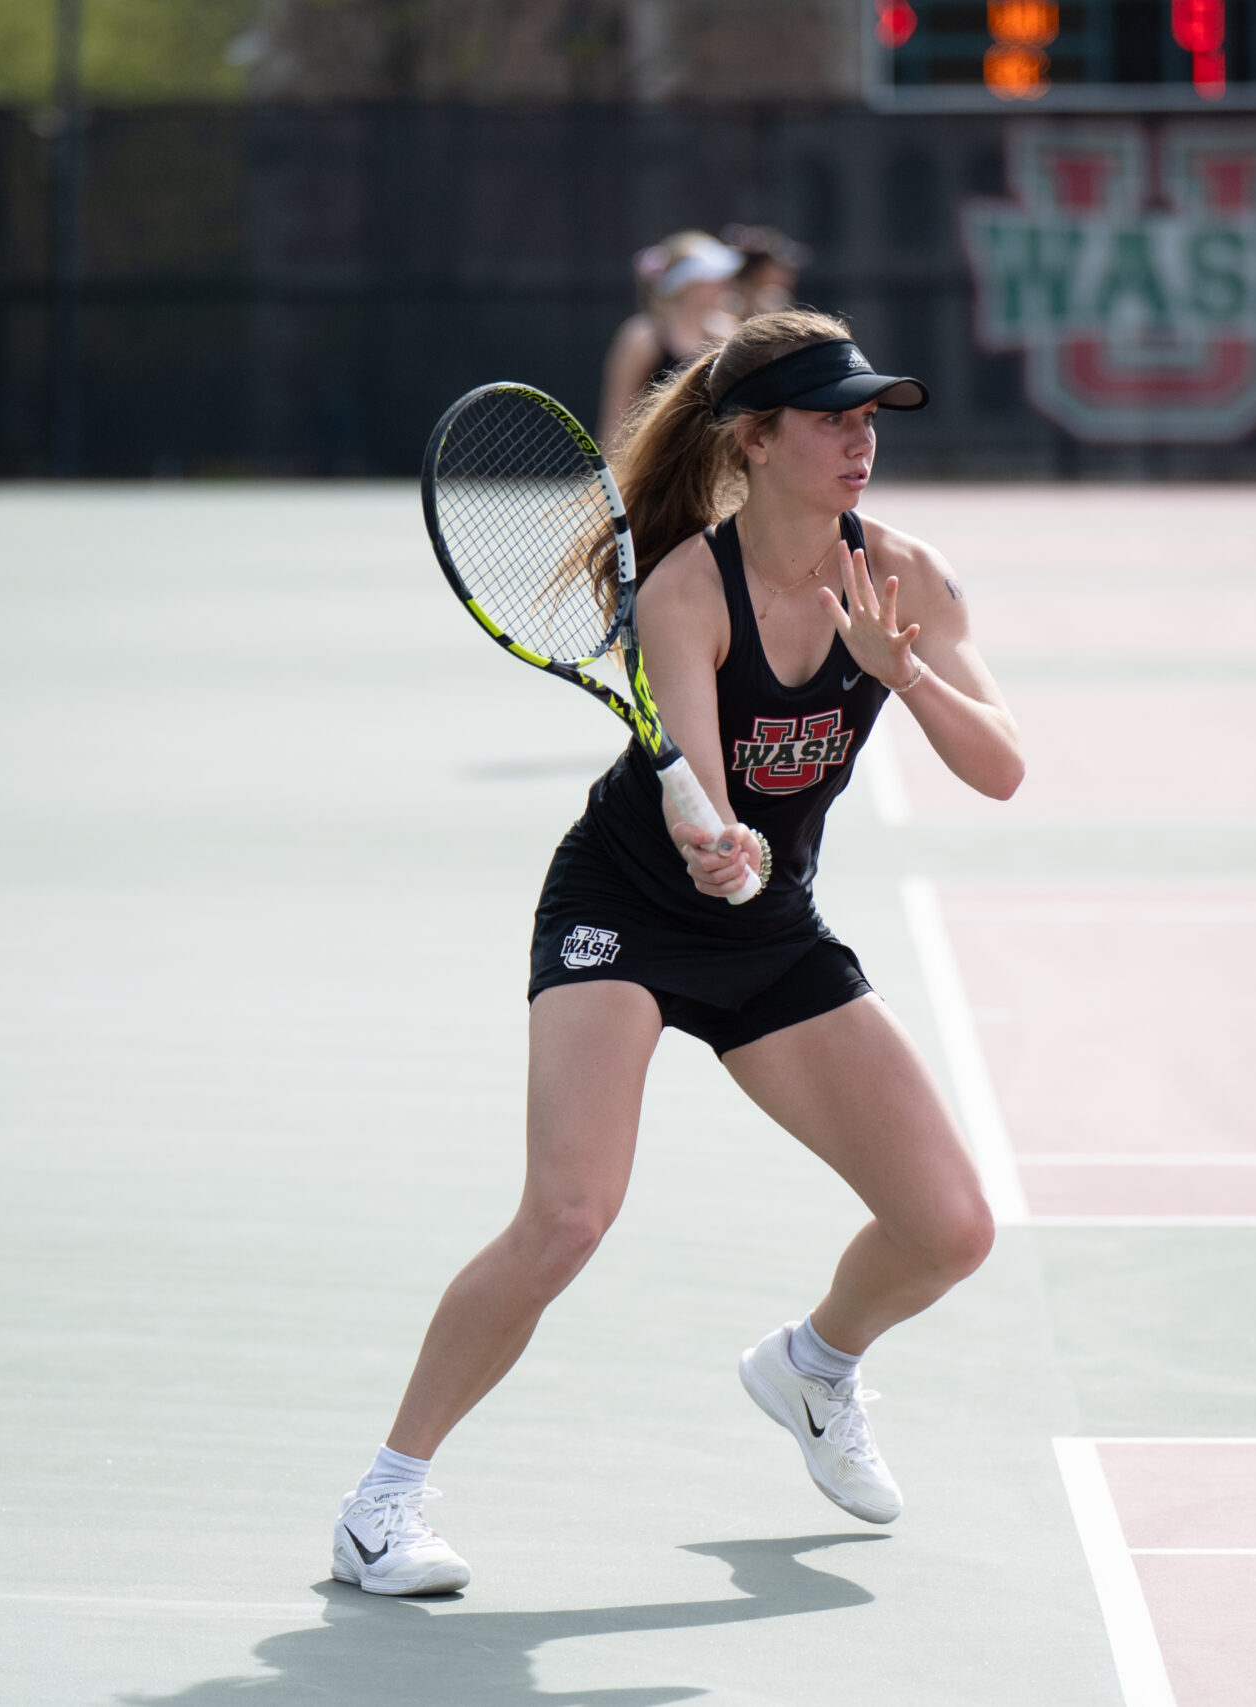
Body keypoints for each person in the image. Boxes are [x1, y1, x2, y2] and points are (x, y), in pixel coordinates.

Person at [333, 310, 1022, 1597]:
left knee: (951, 1229)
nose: (861, 438)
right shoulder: (686, 591)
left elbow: (1001, 770)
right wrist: (716, 837)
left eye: (871, 414)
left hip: (771, 937)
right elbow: (696, 785)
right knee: (569, 1214)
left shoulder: (909, 578)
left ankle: (813, 1367)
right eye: (831, 417)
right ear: (755, 442)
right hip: (627, 913)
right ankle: (383, 1503)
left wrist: (904, 678)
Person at [599, 230, 740, 452]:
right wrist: (613, 479)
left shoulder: (726, 334)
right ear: (687, 285)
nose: (724, 284)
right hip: (653, 462)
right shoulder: (643, 338)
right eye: (712, 278)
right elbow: (616, 418)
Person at [722, 224, 811, 318]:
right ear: (758, 268)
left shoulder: (776, 301)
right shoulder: (728, 299)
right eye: (779, 266)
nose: (789, 274)